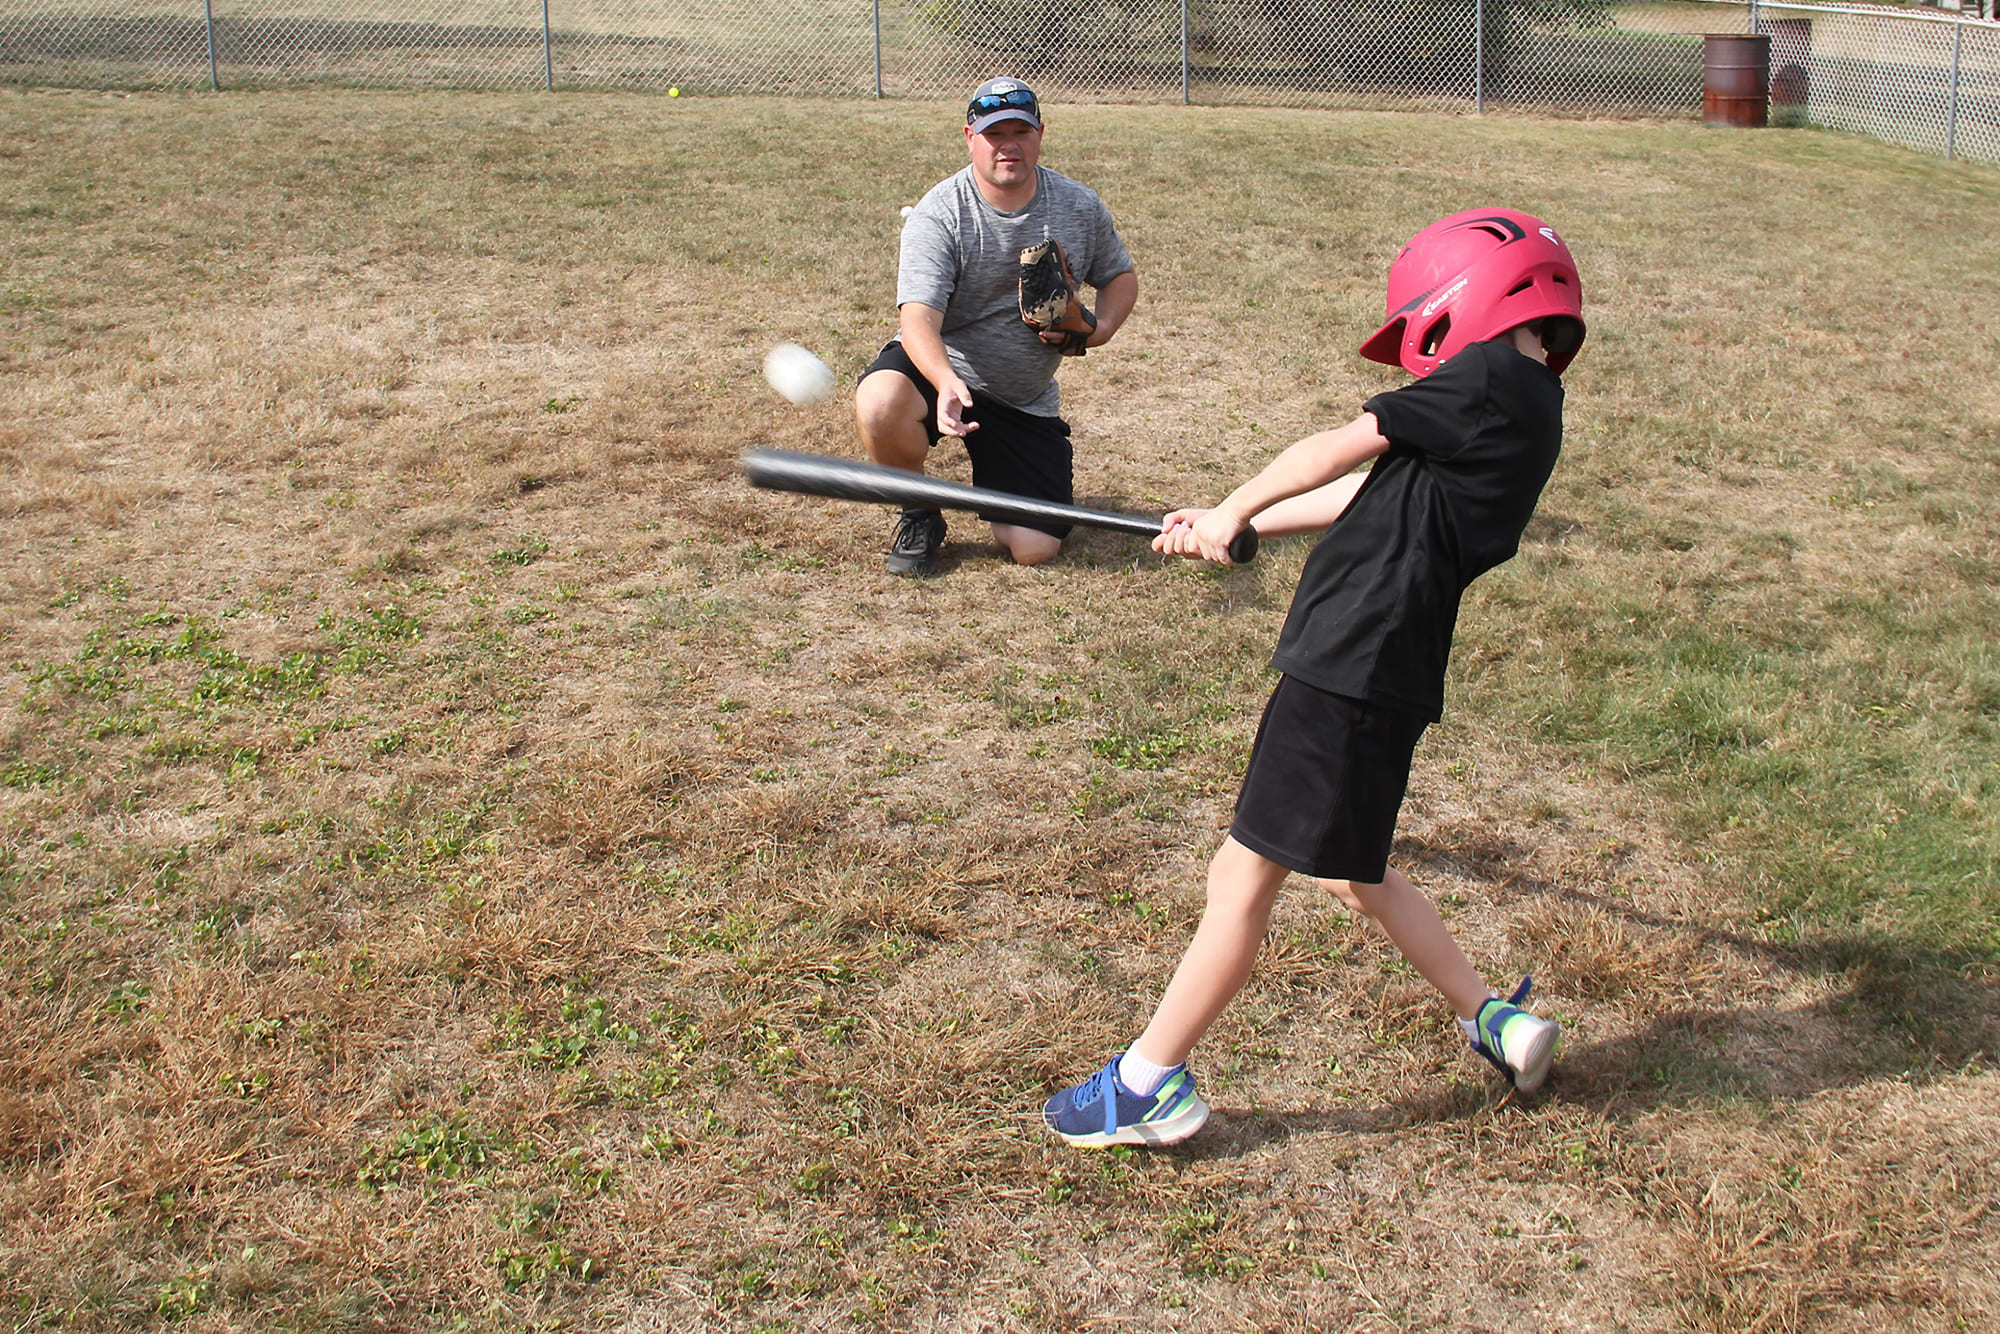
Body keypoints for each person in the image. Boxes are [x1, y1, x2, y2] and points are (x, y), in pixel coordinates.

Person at [1042, 209, 1588, 1147]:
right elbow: (1360, 497)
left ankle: (1148, 1081)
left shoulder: (1486, 374)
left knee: (1240, 876)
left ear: (1461, 303)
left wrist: (1239, 500)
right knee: (1352, 871)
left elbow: (1341, 448)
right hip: (1389, 669)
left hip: (1347, 662)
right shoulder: (1521, 408)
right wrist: (1235, 522)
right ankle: (1496, 1021)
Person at [854, 77, 1138, 575]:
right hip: (944, 371)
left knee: (1034, 548)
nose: (1008, 145)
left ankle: (1001, 481)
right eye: (993, 134)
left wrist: (1102, 328)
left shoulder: (1077, 204)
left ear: (1040, 135)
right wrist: (944, 381)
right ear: (970, 137)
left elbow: (1119, 277)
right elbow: (917, 317)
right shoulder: (940, 212)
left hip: (1021, 397)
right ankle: (919, 509)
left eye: (1020, 132)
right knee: (881, 402)